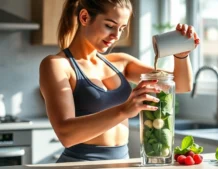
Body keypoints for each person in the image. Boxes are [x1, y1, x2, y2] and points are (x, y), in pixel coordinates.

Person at [39, 0, 200, 163]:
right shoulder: (57, 65)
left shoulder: (121, 62)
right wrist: (124, 110)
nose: (116, 36)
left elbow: (180, 85)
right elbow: (66, 135)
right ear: (85, 17)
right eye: (110, 25)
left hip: (122, 162)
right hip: (79, 164)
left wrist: (181, 55)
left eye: (121, 28)